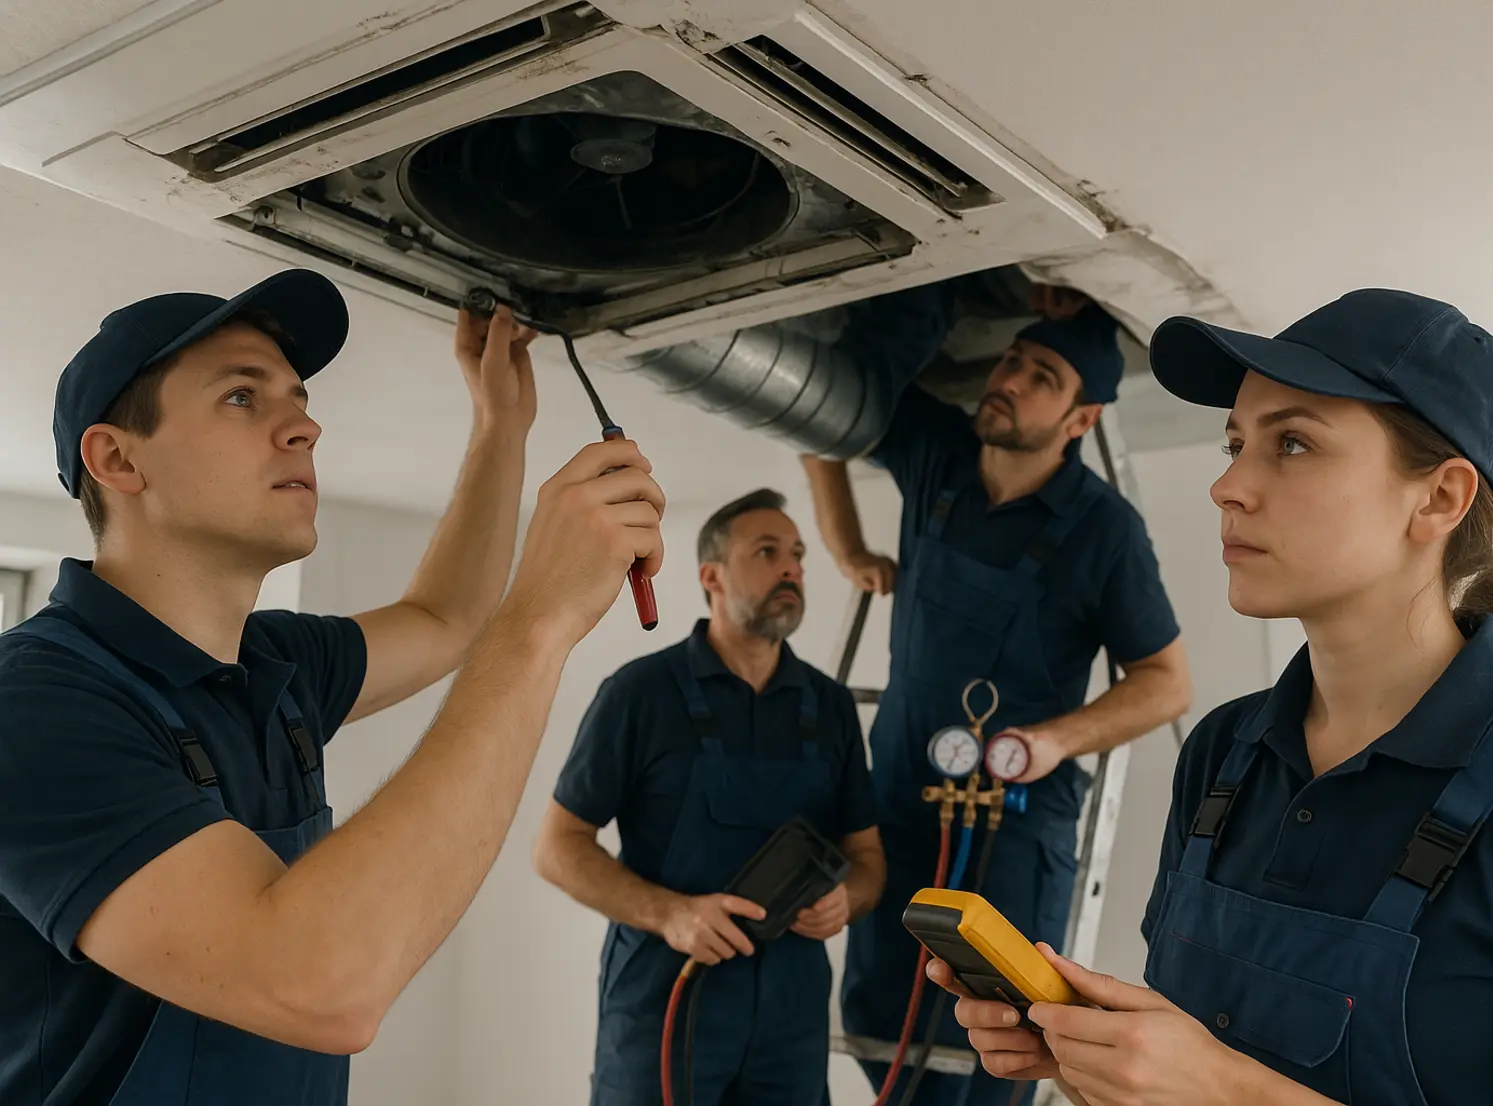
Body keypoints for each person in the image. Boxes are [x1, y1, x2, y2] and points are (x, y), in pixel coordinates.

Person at [936, 288, 1493, 1106]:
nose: (1227, 485)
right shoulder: (1221, 754)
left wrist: (1227, 1090)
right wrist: (1095, 1058)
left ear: (1438, 498)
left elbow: (1214, 1088)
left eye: (1291, 443)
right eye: (1234, 443)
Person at [0, 270, 665, 1106]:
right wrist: (538, 622)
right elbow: (317, 983)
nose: (305, 426)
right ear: (117, 458)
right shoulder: (35, 704)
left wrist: (501, 424)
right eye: (241, 396)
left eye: (299, 399)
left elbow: (445, 617)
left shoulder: (275, 663)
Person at [800, 282, 1193, 1105]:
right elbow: (817, 412)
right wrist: (845, 548)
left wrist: (1052, 741)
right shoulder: (935, 450)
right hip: (897, 796)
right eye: (1012, 359)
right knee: (877, 1011)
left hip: (1013, 822)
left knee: (1006, 1036)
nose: (1008, 379)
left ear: (1080, 420)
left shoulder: (1103, 530)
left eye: (1041, 377)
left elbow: (1165, 683)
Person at [534, 488, 886, 1106]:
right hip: (665, 1005)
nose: (791, 568)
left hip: (792, 1018)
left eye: (798, 555)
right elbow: (557, 849)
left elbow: (868, 860)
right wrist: (672, 914)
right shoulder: (640, 694)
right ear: (711, 577)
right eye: (768, 552)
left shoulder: (830, 706)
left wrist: (846, 900)